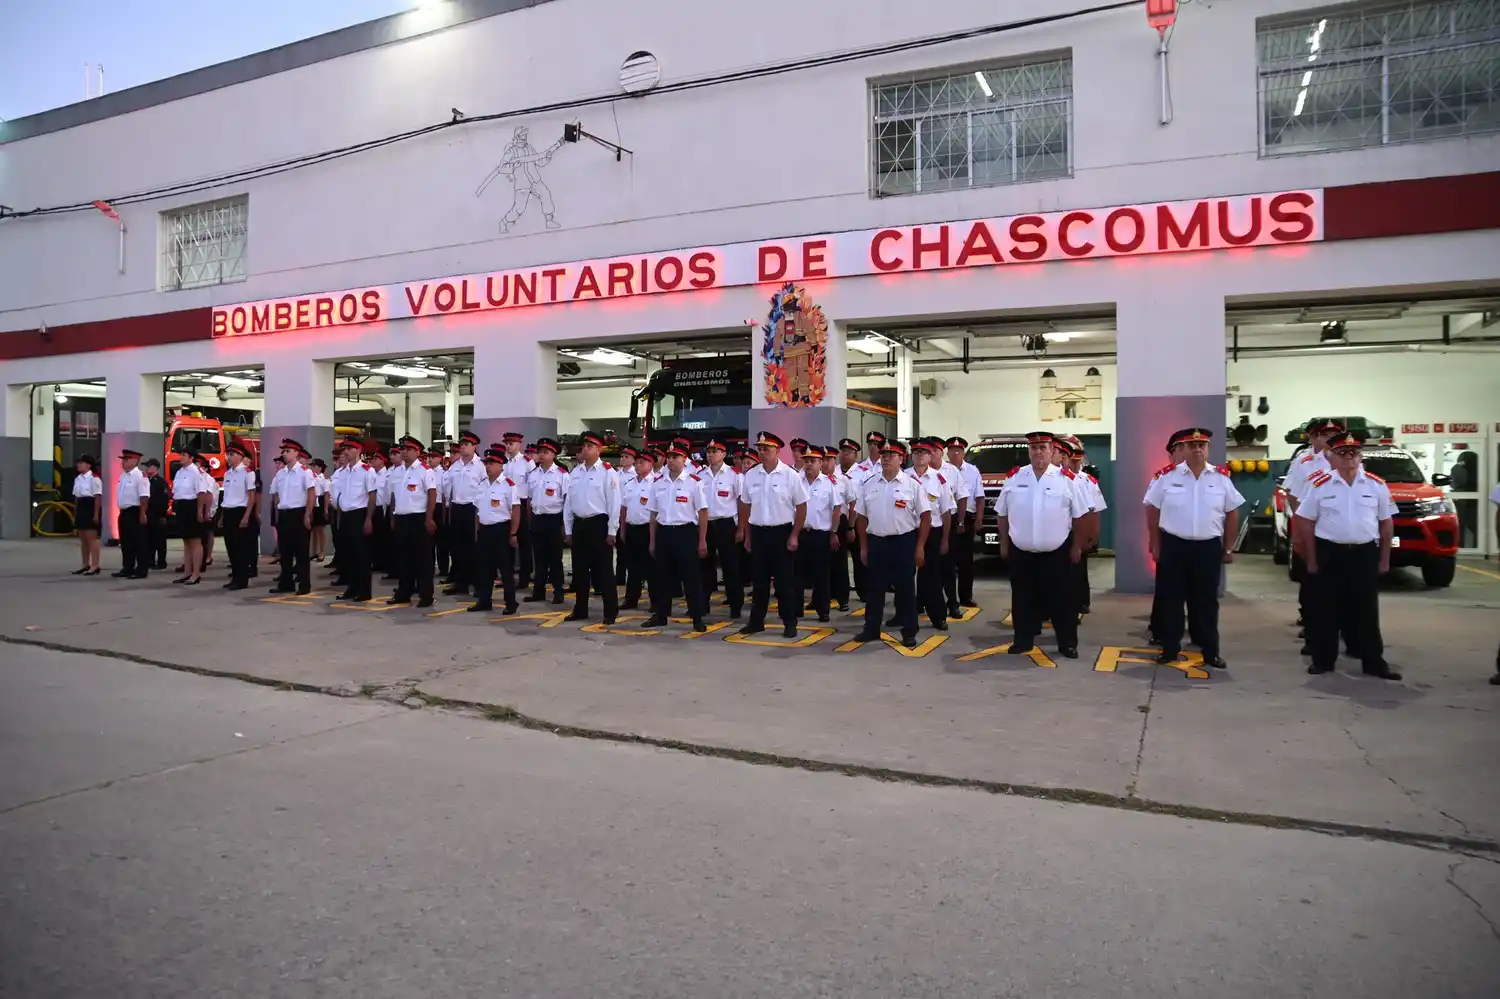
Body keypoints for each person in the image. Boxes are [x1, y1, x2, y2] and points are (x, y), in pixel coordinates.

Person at [1294, 432, 1402, 681]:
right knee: (1326, 610)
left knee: (1366, 610)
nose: (1348, 458)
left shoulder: (1376, 485)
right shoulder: (1319, 485)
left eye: (1353, 454)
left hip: (1364, 554)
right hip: (1330, 552)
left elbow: (1386, 525)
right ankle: (1323, 660)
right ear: (1332, 457)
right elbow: (1305, 523)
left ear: (1360, 457)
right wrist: (1310, 559)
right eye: (1342, 453)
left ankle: (1373, 661)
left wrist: (1384, 559)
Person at [1143, 428, 1243, 670]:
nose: (1198, 449)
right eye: (1192, 445)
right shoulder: (1165, 477)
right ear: (1183, 449)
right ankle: (1169, 649)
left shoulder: (1221, 478)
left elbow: (1232, 512)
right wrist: (1155, 543)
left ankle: (1211, 652)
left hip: (1208, 548)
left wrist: (1228, 548)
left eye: (1202, 445)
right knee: (1171, 601)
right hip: (1174, 546)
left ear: (1208, 449)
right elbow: (1151, 509)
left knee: (1206, 603)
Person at [996, 431, 1087, 659]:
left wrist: (1077, 546)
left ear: (1052, 451)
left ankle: (1067, 643)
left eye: (1043, 448)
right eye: (1034, 448)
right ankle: (1023, 641)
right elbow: (1002, 514)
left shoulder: (1067, 480)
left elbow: (1079, 516)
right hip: (1021, 552)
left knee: (1062, 601)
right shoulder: (1015, 478)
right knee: (1022, 599)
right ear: (1029, 451)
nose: (1038, 452)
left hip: (1056, 553)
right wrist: (1004, 544)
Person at [853, 439, 928, 649]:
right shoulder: (869, 483)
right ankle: (872, 627)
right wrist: (864, 546)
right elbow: (861, 517)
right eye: (883, 455)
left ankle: (909, 631)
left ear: (901, 459)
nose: (886, 459)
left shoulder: (912, 485)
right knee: (874, 588)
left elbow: (926, 517)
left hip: (903, 542)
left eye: (891, 456)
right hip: (877, 542)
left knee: (905, 590)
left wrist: (920, 546)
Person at [737, 431, 808, 638]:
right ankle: (756, 621)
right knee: (758, 583)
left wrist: (795, 534)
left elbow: (802, 507)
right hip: (759, 533)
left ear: (777, 450)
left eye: (766, 449)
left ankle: (789, 622)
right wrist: (747, 533)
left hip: (782, 532)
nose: (761, 452)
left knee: (785, 583)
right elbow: (745, 506)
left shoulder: (790, 476)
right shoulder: (751, 475)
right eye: (759, 448)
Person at [1285, 418, 1345, 645]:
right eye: (1325, 435)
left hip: (1339, 531)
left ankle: (1345, 631)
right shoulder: (1305, 461)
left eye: (1334, 435)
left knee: (1342, 585)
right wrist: (1301, 530)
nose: (1329, 439)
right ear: (1313, 438)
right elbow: (1292, 495)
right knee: (1312, 582)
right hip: (1313, 530)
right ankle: (1313, 629)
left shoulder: (1347, 459)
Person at [643, 443, 709, 630]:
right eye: (669, 457)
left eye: (675, 457)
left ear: (684, 460)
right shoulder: (658, 483)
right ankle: (661, 614)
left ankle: (697, 617)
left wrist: (702, 539)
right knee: (662, 577)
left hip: (685, 532)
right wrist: (653, 541)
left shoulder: (694, 482)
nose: (671, 461)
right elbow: (653, 515)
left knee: (691, 578)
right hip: (664, 532)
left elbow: (703, 512)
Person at [562, 431, 620, 623]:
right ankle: (580, 609)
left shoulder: (607, 472)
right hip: (580, 525)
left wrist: (612, 530)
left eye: (590, 446)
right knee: (579, 571)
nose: (585, 450)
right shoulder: (576, 472)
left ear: (599, 449)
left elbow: (614, 504)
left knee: (604, 571)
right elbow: (569, 503)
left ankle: (610, 612)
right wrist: (568, 530)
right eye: (584, 446)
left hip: (598, 525)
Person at [910, 441, 956, 631]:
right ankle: (904, 614)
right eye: (916, 452)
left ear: (930, 456)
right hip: (908, 532)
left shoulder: (939, 479)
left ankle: (938, 616)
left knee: (932, 577)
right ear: (911, 455)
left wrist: (945, 539)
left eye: (924, 453)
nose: (920, 456)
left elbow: (946, 512)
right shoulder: (903, 476)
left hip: (933, 533)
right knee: (904, 577)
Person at [387, 436, 438, 607]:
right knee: (403, 558)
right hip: (401, 517)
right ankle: (404, 592)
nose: (404, 453)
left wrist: (429, 518)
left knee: (422, 559)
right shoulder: (397, 471)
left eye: (408, 449)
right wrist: (393, 516)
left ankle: (426, 595)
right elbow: (394, 496)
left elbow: (432, 494)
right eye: (402, 449)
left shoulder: (425, 470)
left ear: (417, 452)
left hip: (418, 518)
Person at [469, 447, 522, 614]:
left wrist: (513, 533)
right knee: (484, 568)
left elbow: (515, 510)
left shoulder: (508, 485)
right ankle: (484, 600)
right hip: (485, 530)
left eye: (492, 463)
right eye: (487, 463)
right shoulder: (481, 484)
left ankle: (511, 603)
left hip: (501, 530)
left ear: (501, 465)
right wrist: (477, 530)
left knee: (505, 569)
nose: (488, 466)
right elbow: (478, 510)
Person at [1060, 436, 1106, 616]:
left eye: (1078, 460)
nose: (1075, 464)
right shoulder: (1057, 478)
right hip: (1059, 533)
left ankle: (1080, 602)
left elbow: (1094, 510)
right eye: (1072, 460)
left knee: (1078, 571)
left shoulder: (1087, 481)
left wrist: (1093, 535)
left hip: (1079, 531)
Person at [698, 439, 744, 618]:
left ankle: (735, 605)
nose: (711, 454)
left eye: (716, 451)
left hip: (726, 524)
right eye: (709, 451)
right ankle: (703, 603)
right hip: (706, 524)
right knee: (704, 566)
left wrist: (741, 528)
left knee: (730, 566)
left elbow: (742, 503)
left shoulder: (734, 475)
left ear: (724, 454)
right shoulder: (700, 476)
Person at [796, 446, 841, 623]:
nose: (808, 465)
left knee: (821, 575)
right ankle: (796, 609)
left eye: (812, 461)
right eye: (806, 461)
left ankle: (823, 610)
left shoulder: (830, 483)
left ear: (821, 463)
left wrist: (833, 532)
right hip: (799, 533)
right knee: (797, 574)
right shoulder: (796, 481)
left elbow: (836, 509)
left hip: (820, 534)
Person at [328, 439, 377, 602]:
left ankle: (364, 590)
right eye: (345, 449)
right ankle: (352, 587)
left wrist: (369, 519)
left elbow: (372, 496)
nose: (346, 452)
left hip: (360, 514)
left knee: (362, 555)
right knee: (348, 554)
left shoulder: (366, 471)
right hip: (345, 515)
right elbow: (339, 496)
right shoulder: (342, 473)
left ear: (358, 451)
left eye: (349, 449)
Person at [441, 431, 485, 596]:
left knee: (474, 548)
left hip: (473, 509)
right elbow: (448, 489)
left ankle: (478, 584)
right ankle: (461, 583)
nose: (464, 447)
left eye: (467, 444)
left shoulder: (480, 466)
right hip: (457, 508)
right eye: (462, 444)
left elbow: (484, 489)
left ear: (475, 446)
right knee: (458, 548)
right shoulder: (455, 466)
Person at [525, 438, 568, 604]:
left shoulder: (562, 475)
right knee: (539, 558)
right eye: (540, 452)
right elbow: (530, 500)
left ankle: (558, 592)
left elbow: (567, 501)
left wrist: (564, 526)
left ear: (553, 454)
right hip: (537, 519)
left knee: (555, 559)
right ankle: (538, 591)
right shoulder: (533, 474)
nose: (541, 455)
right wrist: (531, 521)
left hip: (554, 519)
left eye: (545, 452)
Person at [270, 440, 316, 595]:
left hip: (299, 513)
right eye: (284, 451)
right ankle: (286, 583)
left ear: (296, 453)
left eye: (288, 451)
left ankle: (304, 585)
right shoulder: (280, 474)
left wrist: (308, 515)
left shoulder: (305, 472)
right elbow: (276, 495)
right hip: (284, 514)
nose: (285, 454)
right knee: (285, 551)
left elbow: (311, 493)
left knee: (301, 552)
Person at [944, 437, 983, 610]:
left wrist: (979, 519)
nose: (955, 452)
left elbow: (980, 497)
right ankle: (948, 598)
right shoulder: (942, 470)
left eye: (959, 450)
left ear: (964, 453)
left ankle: (966, 596)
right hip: (948, 518)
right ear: (947, 452)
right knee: (947, 560)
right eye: (952, 449)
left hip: (967, 518)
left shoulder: (973, 471)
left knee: (966, 561)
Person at [619, 449, 657, 610]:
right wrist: (622, 529)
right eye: (637, 462)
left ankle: (655, 601)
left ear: (651, 464)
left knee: (652, 568)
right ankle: (631, 598)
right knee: (632, 567)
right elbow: (624, 508)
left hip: (647, 529)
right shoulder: (629, 484)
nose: (638, 465)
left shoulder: (656, 483)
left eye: (642, 462)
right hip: (632, 528)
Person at [169, 451, 212, 585]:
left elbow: (202, 493)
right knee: (186, 540)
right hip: (181, 505)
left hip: (192, 505)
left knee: (195, 540)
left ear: (191, 458)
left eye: (183, 455)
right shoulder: (179, 472)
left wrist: (200, 512)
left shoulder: (196, 472)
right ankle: (187, 572)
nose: (180, 458)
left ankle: (196, 573)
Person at [220, 443, 258, 590]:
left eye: (232, 454)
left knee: (241, 548)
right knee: (231, 547)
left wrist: (246, 516)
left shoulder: (248, 473)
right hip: (228, 511)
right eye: (228, 454)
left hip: (240, 511)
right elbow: (226, 497)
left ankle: (242, 580)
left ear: (241, 456)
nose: (229, 457)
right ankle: (235, 577)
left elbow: (251, 497)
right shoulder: (227, 473)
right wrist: (223, 516)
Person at [112, 449, 152, 578]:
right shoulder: (123, 476)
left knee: (139, 542)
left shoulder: (140, 476)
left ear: (135, 461)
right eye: (123, 459)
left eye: (126, 459)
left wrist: (142, 514)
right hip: (124, 512)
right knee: (126, 542)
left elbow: (144, 497)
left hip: (136, 511)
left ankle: (141, 569)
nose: (123, 462)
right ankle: (127, 567)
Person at [70, 454, 103, 575]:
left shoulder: (95, 479)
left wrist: (95, 514)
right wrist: (75, 513)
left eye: (81, 463)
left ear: (89, 465)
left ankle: (95, 565)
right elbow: (76, 497)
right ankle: (85, 564)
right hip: (81, 507)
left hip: (91, 506)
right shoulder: (78, 478)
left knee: (91, 539)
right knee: (83, 539)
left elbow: (98, 497)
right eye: (78, 463)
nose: (79, 465)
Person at [141, 458, 170, 570]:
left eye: (149, 466)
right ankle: (150, 560)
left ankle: (162, 562)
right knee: (150, 539)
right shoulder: (147, 481)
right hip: (149, 514)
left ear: (155, 468)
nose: (147, 469)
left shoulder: (160, 482)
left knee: (160, 541)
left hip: (158, 515)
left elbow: (163, 500)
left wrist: (161, 515)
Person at [308, 458, 331, 562]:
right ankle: (314, 551)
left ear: (320, 467)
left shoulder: (324, 479)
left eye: (314, 465)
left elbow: (326, 494)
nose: (312, 468)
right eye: (311, 465)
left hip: (321, 502)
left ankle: (322, 552)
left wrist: (326, 508)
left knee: (320, 529)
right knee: (313, 530)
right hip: (313, 502)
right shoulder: (310, 477)